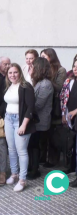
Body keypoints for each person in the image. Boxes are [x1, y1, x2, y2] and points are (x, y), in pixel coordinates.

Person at [4, 63, 36, 192]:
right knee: (11, 149)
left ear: (20, 73)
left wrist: (23, 124)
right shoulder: (8, 86)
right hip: (8, 119)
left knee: (21, 151)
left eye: (15, 72)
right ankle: (14, 174)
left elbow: (30, 107)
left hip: (21, 120)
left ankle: (22, 180)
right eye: (10, 73)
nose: (13, 75)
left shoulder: (26, 86)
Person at [27, 58, 53, 180]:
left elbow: (38, 104)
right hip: (35, 119)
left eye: (32, 67)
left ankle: (35, 169)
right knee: (32, 145)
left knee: (34, 145)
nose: (30, 69)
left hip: (40, 120)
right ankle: (32, 167)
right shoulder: (38, 82)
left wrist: (26, 109)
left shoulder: (46, 84)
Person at [41, 48, 67, 167]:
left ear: (51, 57)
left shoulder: (60, 70)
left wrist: (46, 79)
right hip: (44, 105)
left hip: (55, 106)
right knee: (45, 134)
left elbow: (59, 88)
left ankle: (53, 159)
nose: (42, 59)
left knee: (54, 134)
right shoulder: (41, 69)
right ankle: (43, 157)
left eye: (44, 57)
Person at [60, 57, 77, 187]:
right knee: (72, 145)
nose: (75, 69)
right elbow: (65, 99)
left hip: (75, 116)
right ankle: (72, 167)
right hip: (72, 119)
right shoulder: (71, 81)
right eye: (74, 66)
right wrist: (64, 114)